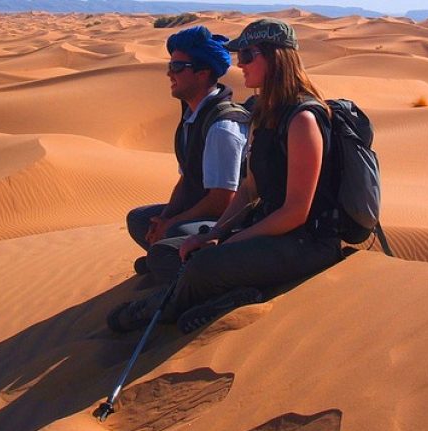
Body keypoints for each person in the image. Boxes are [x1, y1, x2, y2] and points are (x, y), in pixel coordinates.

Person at [108, 18, 343, 334]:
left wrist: (226, 242)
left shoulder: (302, 120)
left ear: (275, 57)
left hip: (308, 241)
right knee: (169, 250)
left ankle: (157, 309)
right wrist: (214, 233)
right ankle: (223, 294)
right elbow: (248, 189)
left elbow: (296, 212)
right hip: (270, 230)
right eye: (238, 56)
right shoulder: (265, 112)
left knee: (203, 264)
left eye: (247, 56)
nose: (239, 64)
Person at [127, 26, 249, 276]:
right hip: (204, 214)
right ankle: (166, 260)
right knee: (140, 220)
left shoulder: (222, 127)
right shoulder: (192, 115)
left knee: (174, 234)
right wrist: (165, 217)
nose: (169, 74)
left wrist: (171, 224)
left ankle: (188, 273)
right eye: (170, 66)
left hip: (233, 223)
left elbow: (222, 201)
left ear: (203, 73)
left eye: (178, 67)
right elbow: (187, 180)